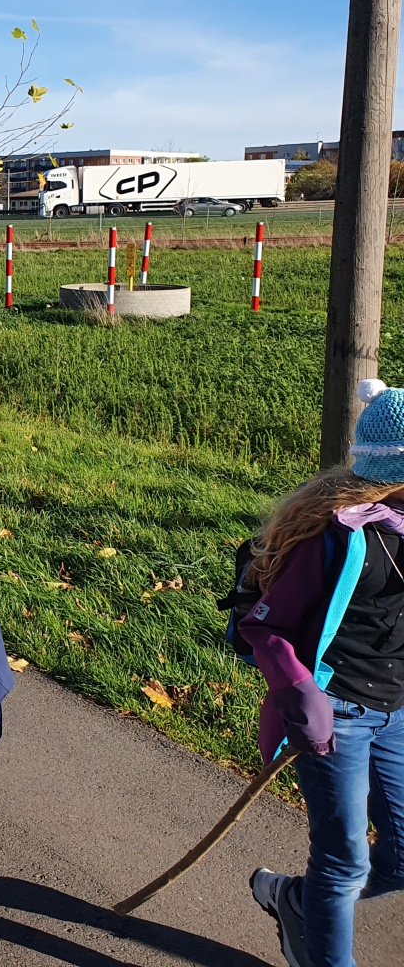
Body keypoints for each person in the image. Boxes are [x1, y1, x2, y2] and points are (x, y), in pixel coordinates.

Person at [243, 378, 404, 967]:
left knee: (403, 857)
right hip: (338, 714)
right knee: (344, 862)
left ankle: (296, 901)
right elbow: (265, 627)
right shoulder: (340, 538)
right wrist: (300, 690)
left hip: (396, 711)